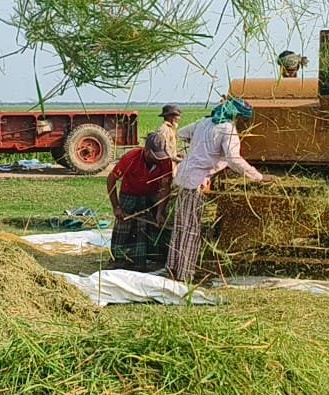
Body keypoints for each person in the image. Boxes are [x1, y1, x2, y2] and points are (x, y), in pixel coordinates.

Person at [166, 97, 274, 283]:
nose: (242, 123)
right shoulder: (228, 129)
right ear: (235, 116)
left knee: (180, 227)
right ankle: (185, 276)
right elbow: (234, 160)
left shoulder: (203, 122)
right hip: (196, 182)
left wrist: (200, 148)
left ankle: (173, 270)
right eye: (242, 119)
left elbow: (182, 133)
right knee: (192, 229)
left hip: (184, 177)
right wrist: (259, 177)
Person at [106, 132, 175, 270]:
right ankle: (120, 259)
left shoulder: (165, 161)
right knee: (124, 228)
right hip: (129, 195)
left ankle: (150, 258)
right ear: (147, 151)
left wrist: (160, 212)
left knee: (152, 227)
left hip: (151, 196)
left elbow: (166, 186)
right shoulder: (131, 158)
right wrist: (116, 207)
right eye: (156, 156)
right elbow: (111, 179)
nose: (159, 159)